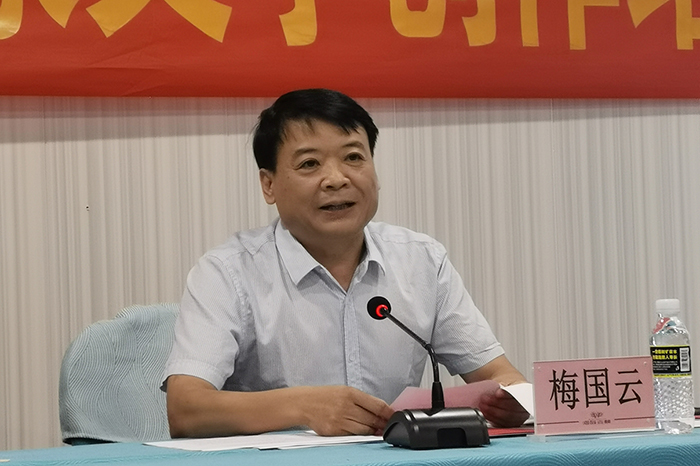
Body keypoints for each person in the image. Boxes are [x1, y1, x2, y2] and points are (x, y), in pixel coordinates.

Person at [163, 88, 529, 438]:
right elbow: (186, 409)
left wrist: (514, 401)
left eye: (354, 158)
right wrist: (302, 407)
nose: (337, 179)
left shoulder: (422, 261)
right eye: (309, 164)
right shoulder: (228, 273)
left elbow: (502, 377)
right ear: (269, 185)